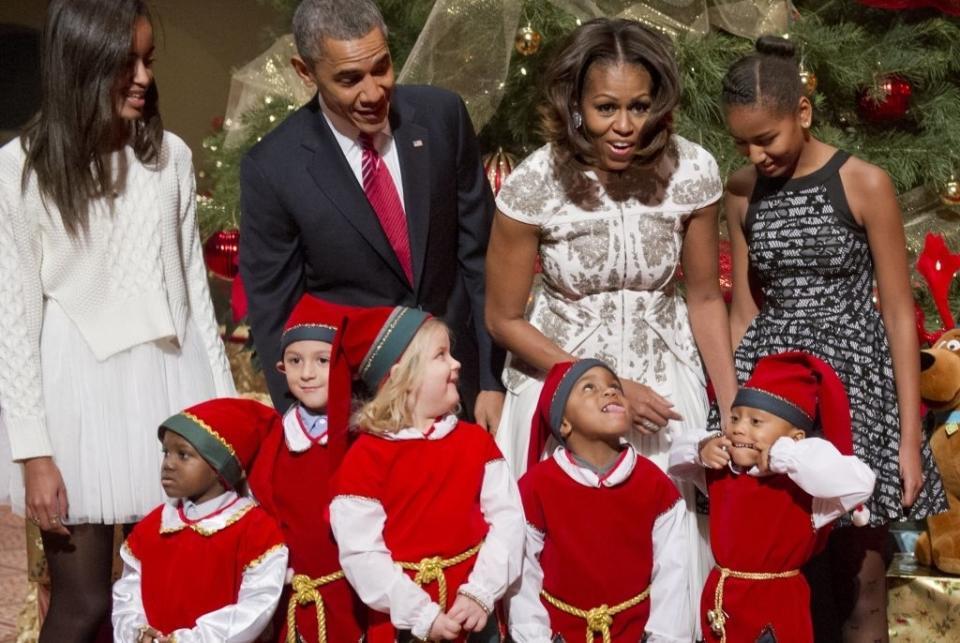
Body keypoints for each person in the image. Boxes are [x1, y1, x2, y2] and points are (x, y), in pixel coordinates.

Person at [484, 17, 737, 634]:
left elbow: (705, 298)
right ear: (573, 105)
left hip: (669, 384)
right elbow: (502, 317)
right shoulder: (534, 183)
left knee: (672, 559)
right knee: (567, 558)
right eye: (605, 108)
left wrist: (732, 405)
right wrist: (608, 386)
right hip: (561, 384)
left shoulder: (693, 170)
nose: (625, 126)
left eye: (640, 106)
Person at [0, 1, 236, 639]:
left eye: (147, 60)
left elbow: (192, 302)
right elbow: (14, 323)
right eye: (123, 63)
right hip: (77, 400)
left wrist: (228, 417)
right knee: (84, 607)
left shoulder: (171, 160)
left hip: (169, 390)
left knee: (168, 598)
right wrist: (34, 454)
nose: (142, 77)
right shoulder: (20, 169)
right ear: (79, 65)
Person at [719, 35, 947, 641]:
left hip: (857, 392)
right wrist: (736, 415)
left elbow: (899, 313)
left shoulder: (863, 182)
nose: (756, 153)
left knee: (860, 583)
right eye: (743, 141)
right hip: (775, 397)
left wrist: (905, 437)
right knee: (788, 574)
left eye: (766, 138)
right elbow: (743, 310)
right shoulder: (742, 191)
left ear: (803, 112)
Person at [239, 0, 504, 430]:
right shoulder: (274, 168)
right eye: (349, 79)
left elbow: (480, 261)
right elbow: (276, 314)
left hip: (463, 389)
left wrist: (494, 380)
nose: (374, 91)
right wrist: (305, 426)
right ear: (305, 72)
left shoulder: (442, 118)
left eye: (381, 67)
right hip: (358, 406)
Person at [327, 305, 525, 642]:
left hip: (474, 618)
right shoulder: (366, 457)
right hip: (402, 626)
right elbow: (361, 552)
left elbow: (508, 521)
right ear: (403, 377)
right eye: (441, 356)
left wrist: (480, 592)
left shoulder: (476, 442)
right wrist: (420, 613)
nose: (456, 363)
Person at [670, 352, 876, 642]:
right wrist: (702, 447)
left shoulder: (806, 492)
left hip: (776, 612)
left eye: (756, 421)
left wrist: (786, 455)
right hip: (722, 605)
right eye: (735, 418)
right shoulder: (722, 473)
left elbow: (861, 482)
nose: (739, 428)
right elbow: (675, 459)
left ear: (796, 438)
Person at [506, 359, 691, 643]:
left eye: (615, 386)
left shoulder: (656, 486)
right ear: (564, 423)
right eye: (589, 387)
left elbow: (673, 575)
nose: (609, 392)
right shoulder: (536, 487)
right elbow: (524, 578)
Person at [111, 399, 288, 643]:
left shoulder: (255, 530)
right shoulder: (152, 527)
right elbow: (128, 592)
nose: (168, 464)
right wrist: (137, 631)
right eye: (166, 453)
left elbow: (257, 604)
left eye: (184, 455)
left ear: (220, 468)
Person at [247, 294, 365, 642]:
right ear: (281, 367)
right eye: (295, 361)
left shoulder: (365, 440)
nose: (307, 373)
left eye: (322, 360)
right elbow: (259, 513)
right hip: (290, 596)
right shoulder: (273, 441)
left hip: (354, 596)